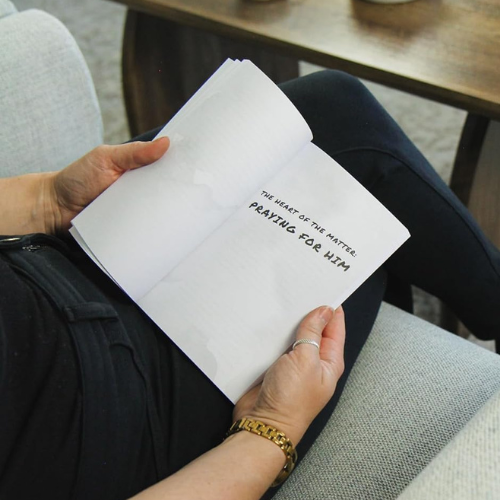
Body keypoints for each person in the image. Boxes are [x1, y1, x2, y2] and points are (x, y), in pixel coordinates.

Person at [1, 70, 499, 500]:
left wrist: (46, 199)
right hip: (114, 415)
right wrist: (269, 432)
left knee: (333, 106)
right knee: (363, 227)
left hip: (51, 257)